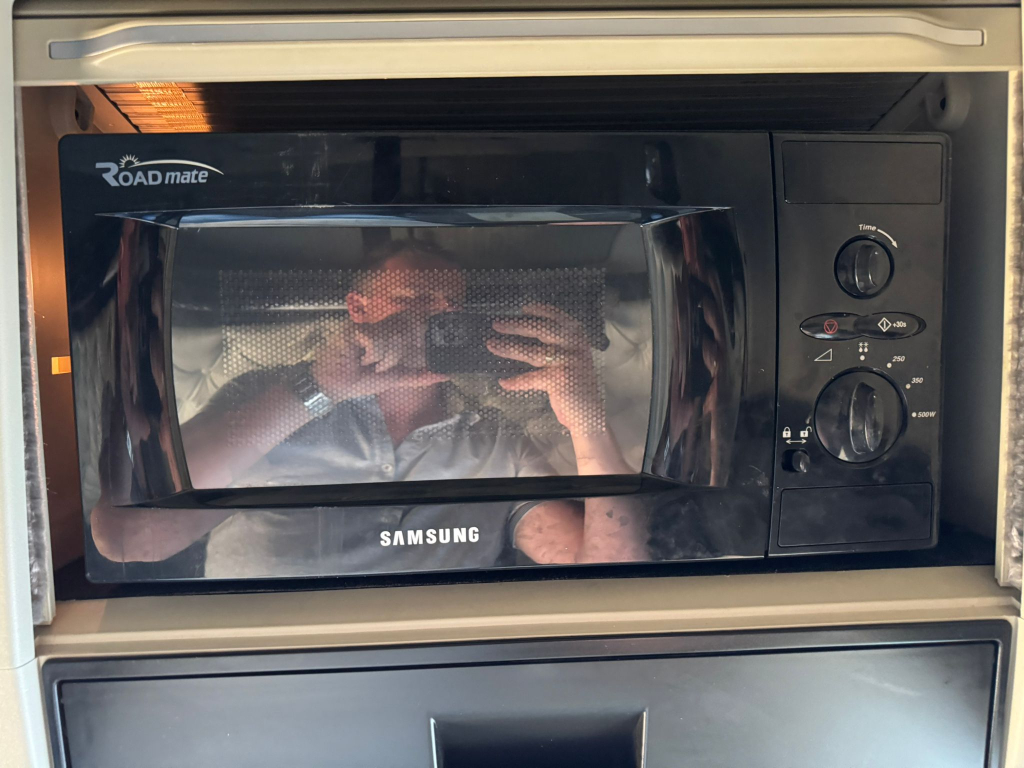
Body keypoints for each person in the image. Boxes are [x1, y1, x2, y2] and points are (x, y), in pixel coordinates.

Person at [92, 240, 648, 576]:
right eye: (414, 301)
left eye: (452, 310)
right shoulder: (269, 399)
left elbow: (610, 573)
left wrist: (586, 418)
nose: (436, 317)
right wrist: (319, 389)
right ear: (357, 308)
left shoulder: (496, 437)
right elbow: (132, 539)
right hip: (265, 670)